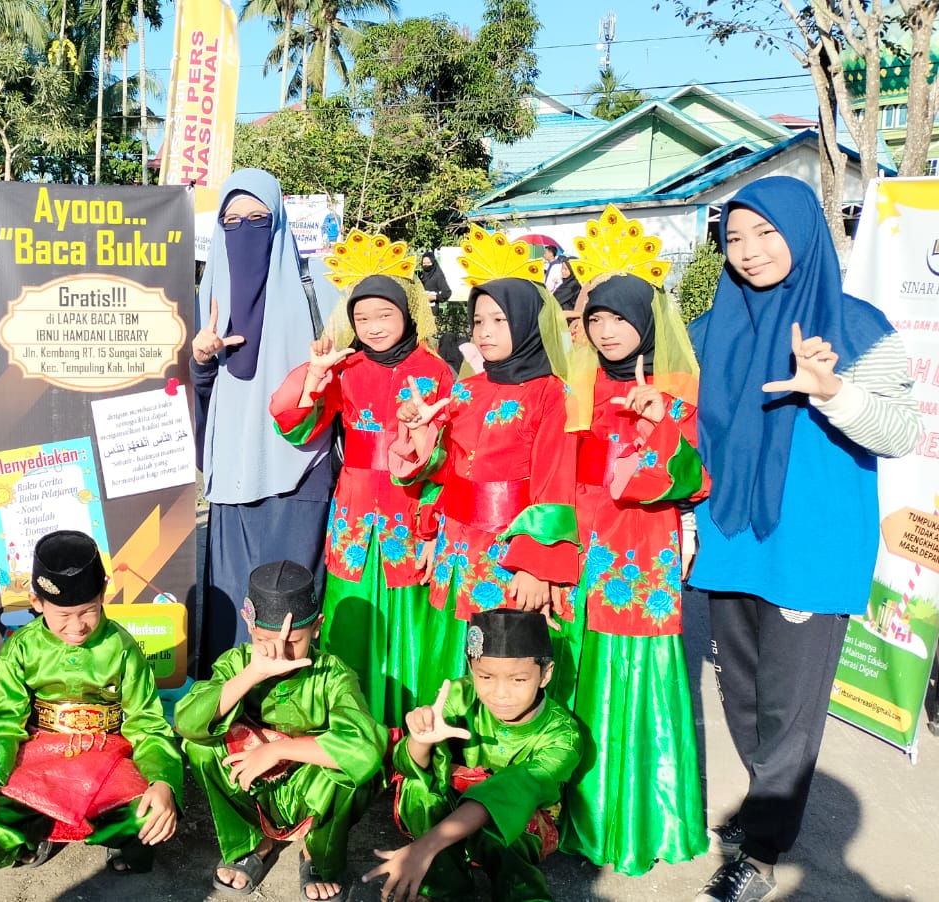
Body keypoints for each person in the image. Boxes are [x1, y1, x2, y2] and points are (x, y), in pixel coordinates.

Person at [688, 176, 921, 902]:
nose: (751, 252)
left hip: (810, 551)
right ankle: (766, 808)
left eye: (767, 233)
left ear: (804, 233)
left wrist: (832, 392)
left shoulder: (856, 325)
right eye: (736, 238)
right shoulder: (708, 329)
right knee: (745, 698)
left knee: (791, 708)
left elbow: (901, 431)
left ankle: (760, 851)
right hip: (730, 543)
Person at [557, 214, 709, 874]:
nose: (608, 329)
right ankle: (569, 816)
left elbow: (693, 480)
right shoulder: (580, 385)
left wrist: (663, 429)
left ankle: (639, 819)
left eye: (620, 318)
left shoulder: (677, 387)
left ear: (648, 319)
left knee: (634, 669)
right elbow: (557, 473)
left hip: (642, 545)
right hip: (585, 538)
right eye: (598, 319)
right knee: (578, 661)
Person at [390, 245, 580, 700]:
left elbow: (556, 483)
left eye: (500, 320)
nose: (485, 331)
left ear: (530, 322)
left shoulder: (551, 394)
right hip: (458, 548)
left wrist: (536, 564)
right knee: (454, 656)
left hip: (508, 556)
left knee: (505, 662)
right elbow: (446, 472)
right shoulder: (467, 389)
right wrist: (420, 440)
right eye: (479, 321)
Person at [268, 272, 453, 723]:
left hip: (410, 505)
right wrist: (314, 374)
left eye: (384, 314)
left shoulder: (436, 370)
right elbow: (293, 424)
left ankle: (407, 725)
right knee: (350, 612)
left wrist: (432, 522)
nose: (372, 326)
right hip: (353, 507)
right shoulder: (345, 368)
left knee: (408, 617)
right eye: (362, 316)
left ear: (408, 315)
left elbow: (450, 455)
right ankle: (348, 722)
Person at [0, 530, 182, 873]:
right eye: (62, 616)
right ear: (37, 603)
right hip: (37, 760)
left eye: (88, 611)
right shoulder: (20, 649)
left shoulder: (123, 649)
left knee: (148, 815)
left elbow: (146, 723)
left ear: (103, 595)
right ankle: (29, 840)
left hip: (106, 758)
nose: (77, 627)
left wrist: (163, 782)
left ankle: (113, 838)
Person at [194, 168, 338, 668]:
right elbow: (206, 393)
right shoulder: (213, 286)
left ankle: (298, 719)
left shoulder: (318, 285)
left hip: (301, 468)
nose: (244, 230)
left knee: (294, 610)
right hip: (235, 470)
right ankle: (233, 717)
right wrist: (202, 359)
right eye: (231, 221)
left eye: (258, 218)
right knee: (238, 610)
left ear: (277, 222)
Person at [176, 560, 386, 902]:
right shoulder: (237, 663)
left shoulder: (332, 675)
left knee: (352, 770)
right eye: (264, 640)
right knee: (199, 747)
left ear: (317, 627)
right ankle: (252, 843)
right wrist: (252, 675)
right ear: (249, 625)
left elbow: (366, 749)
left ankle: (316, 854)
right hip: (252, 785)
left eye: (294, 641)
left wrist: (277, 750)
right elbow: (186, 722)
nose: (278, 653)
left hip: (310, 792)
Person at [363, 608, 582, 902]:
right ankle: (444, 891)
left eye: (518, 680)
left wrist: (426, 845)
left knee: (510, 828)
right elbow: (408, 768)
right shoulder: (459, 696)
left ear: (545, 674)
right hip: (454, 817)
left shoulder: (562, 736)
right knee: (417, 789)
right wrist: (420, 742)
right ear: (471, 667)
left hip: (517, 827)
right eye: (486, 676)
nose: (500, 693)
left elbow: (509, 792)